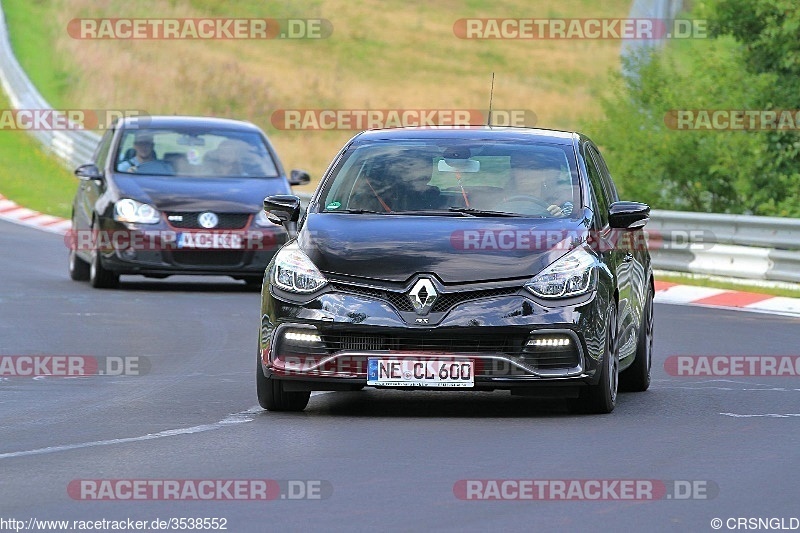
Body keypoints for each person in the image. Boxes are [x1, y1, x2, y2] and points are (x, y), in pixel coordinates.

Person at [501, 157, 575, 216]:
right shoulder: (499, 200)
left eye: (531, 168)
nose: (524, 173)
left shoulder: (560, 204)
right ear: (513, 173)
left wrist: (558, 217)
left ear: (543, 175)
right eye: (518, 167)